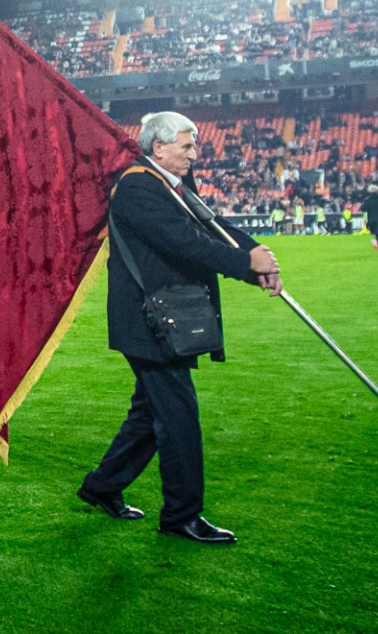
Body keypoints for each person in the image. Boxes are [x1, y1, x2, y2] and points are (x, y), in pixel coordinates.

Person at [77, 111, 282, 545]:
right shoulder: (137, 186)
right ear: (159, 147)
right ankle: (181, 515)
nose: (194, 154)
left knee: (150, 413)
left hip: (160, 319)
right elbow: (185, 243)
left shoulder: (168, 184)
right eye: (186, 146)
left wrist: (256, 258)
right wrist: (245, 263)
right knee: (178, 418)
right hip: (149, 323)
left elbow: (211, 226)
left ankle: (102, 486)